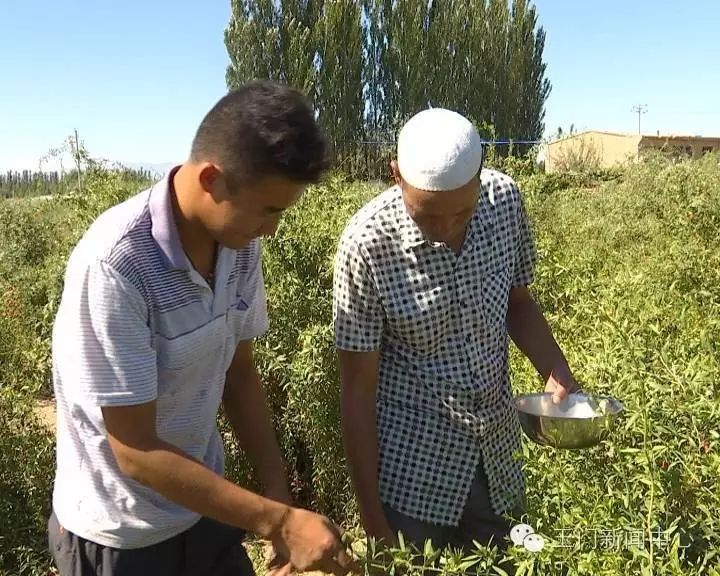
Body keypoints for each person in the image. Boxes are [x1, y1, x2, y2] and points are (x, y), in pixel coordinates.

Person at [49, 81, 354, 576]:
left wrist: (277, 491)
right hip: (122, 536)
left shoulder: (238, 242)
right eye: (269, 209)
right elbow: (136, 451)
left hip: (204, 507)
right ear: (212, 179)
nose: (272, 229)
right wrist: (278, 522)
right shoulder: (116, 266)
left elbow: (240, 373)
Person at [333, 108, 578, 555]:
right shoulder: (367, 243)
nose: (446, 230)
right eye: (428, 217)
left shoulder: (504, 202)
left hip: (498, 456)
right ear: (395, 177)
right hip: (413, 475)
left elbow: (518, 303)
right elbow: (357, 388)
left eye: (462, 214)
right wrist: (372, 518)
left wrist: (555, 367)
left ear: (481, 177)